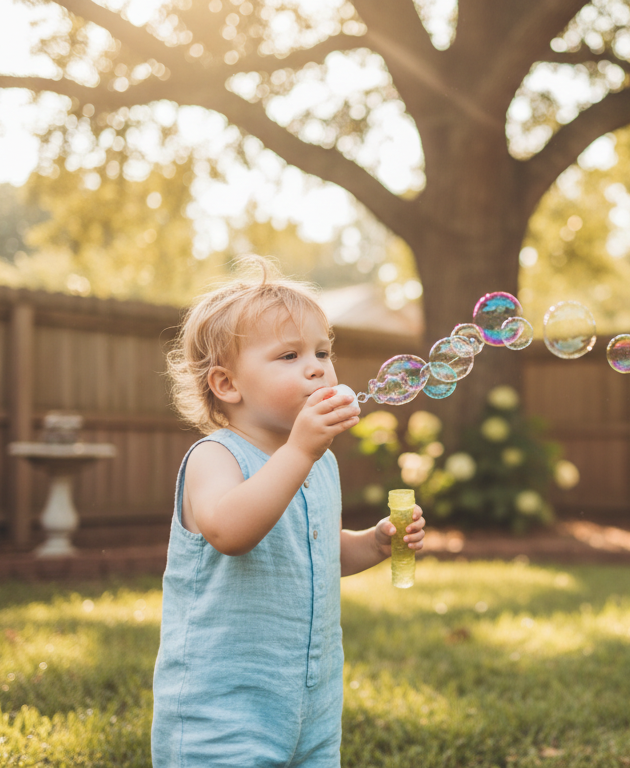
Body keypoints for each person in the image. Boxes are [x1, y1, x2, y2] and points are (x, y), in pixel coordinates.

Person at [153, 256, 426, 767]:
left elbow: (316, 547)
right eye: (288, 355)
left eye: (323, 351)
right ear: (227, 385)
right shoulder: (215, 457)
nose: (318, 366)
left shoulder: (317, 465)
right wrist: (299, 451)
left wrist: (374, 542)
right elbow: (231, 531)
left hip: (311, 705)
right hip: (224, 710)